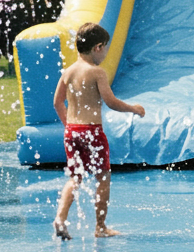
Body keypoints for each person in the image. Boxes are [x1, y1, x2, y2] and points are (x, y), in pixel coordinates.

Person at [52, 22, 144, 239]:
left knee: (75, 178)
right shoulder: (96, 72)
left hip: (72, 130)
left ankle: (60, 218)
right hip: (92, 131)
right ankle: (100, 227)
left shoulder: (68, 71)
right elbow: (110, 102)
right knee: (102, 177)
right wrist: (134, 109)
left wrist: (69, 127)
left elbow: (57, 102)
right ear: (98, 47)